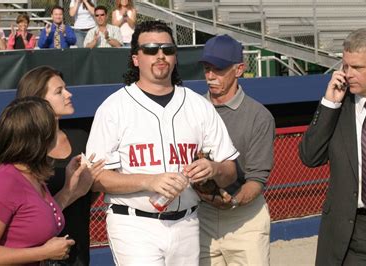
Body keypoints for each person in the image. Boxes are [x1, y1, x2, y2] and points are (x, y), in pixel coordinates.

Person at [86, 20, 239, 265]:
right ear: (136, 58)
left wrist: (214, 169)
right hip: (134, 223)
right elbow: (95, 178)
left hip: (187, 222)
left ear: (175, 57)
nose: (160, 55)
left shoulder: (198, 105)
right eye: (151, 49)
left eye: (167, 50)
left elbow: (230, 169)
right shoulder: (114, 107)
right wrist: (149, 180)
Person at [0, 97, 104, 265]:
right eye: (51, 128)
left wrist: (72, 189)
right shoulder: (6, 181)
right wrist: (44, 252)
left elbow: (41, 217)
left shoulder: (32, 175)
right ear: (39, 137)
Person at [299, 28, 366, 265]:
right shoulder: (337, 109)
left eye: (358, 67)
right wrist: (330, 103)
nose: (349, 74)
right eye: (345, 66)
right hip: (351, 233)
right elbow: (310, 157)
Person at [196, 34, 275, 265]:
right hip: (200, 217)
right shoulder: (192, 109)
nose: (211, 76)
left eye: (219, 69)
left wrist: (232, 202)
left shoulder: (259, 116)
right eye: (207, 68)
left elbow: (257, 179)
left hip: (245, 218)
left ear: (239, 69)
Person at [17, 66, 103, 265]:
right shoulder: (24, 151)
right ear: (39, 100)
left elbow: (88, 193)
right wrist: (71, 192)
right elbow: (28, 217)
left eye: (65, 88)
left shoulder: (81, 138)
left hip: (79, 251)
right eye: (59, 91)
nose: (68, 94)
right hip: (39, 255)